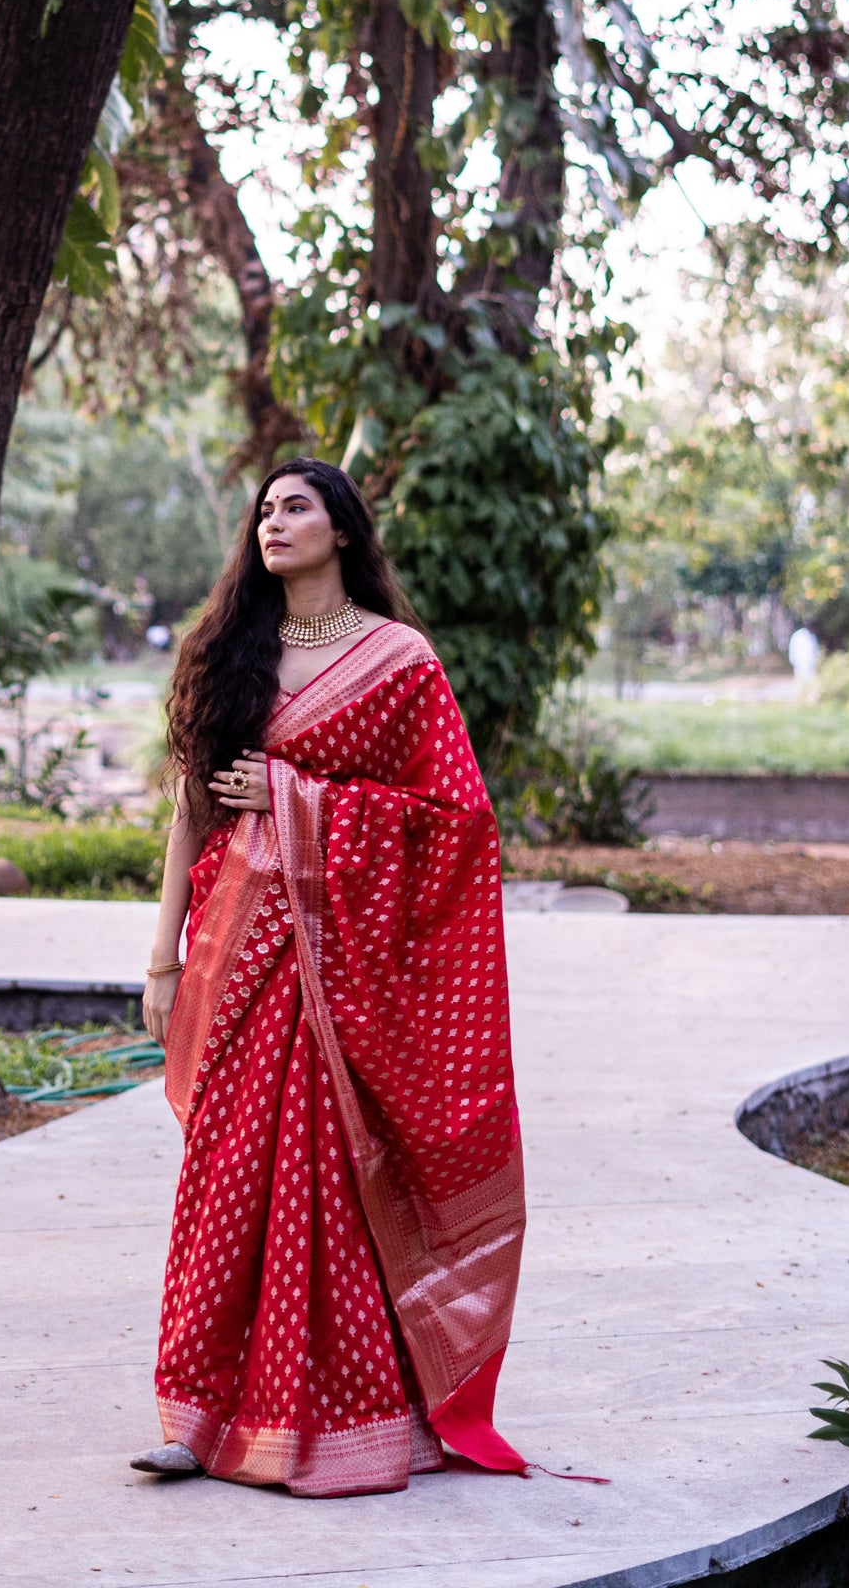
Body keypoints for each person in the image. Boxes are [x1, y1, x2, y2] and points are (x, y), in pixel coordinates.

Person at [131, 456, 525, 1499]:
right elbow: (191, 808)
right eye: (263, 508)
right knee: (223, 1174)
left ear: (341, 528)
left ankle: (351, 1412)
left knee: (328, 1185)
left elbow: (454, 823)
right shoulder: (230, 651)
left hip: (340, 971)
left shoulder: (397, 660)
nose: (274, 520)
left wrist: (294, 793)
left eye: (296, 505)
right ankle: (195, 1414)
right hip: (233, 953)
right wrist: (161, 956)